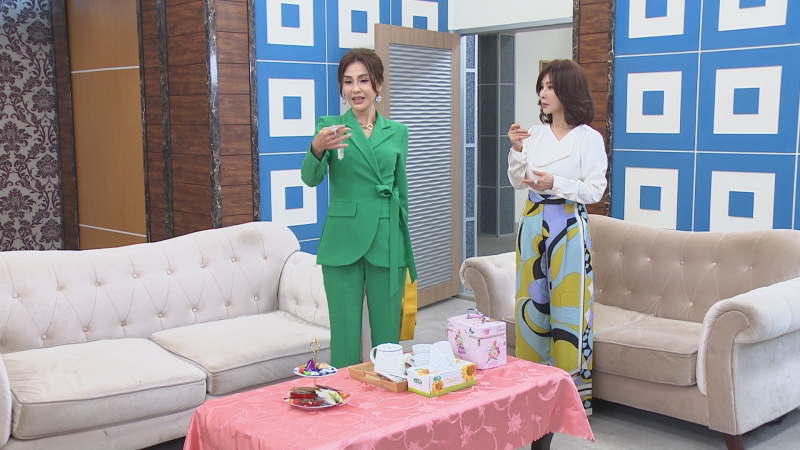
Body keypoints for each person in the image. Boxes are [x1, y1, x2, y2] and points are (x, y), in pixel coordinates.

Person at [300, 48, 416, 368]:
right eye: (348, 81)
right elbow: (310, 179)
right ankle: (343, 396)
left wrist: (403, 243)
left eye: (363, 80)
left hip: (386, 238)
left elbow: (402, 191)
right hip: (343, 239)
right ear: (341, 87)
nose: (356, 89)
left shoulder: (398, 132)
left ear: (378, 84)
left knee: (387, 339)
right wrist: (316, 149)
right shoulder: (330, 127)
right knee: (345, 336)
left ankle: (385, 394)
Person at [506, 59, 607, 413]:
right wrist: (517, 150)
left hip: (568, 223)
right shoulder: (533, 135)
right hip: (532, 221)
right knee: (530, 304)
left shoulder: (588, 138)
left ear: (568, 90)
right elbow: (517, 182)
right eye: (541, 87)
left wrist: (556, 183)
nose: (543, 93)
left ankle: (569, 403)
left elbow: (595, 190)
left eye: (550, 87)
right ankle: (531, 396)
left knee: (568, 307)